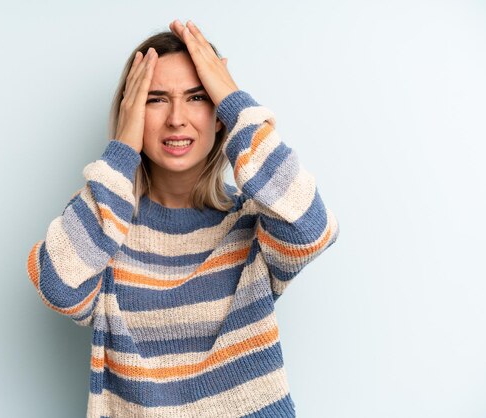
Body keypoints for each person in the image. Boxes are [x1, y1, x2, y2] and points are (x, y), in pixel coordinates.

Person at [26, 19, 339, 418]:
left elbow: (312, 228)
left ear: (219, 114)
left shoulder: (253, 221)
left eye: (197, 97)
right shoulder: (105, 222)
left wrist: (233, 98)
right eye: (155, 99)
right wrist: (122, 147)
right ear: (132, 112)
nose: (176, 118)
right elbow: (58, 285)